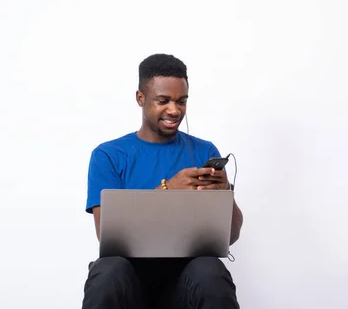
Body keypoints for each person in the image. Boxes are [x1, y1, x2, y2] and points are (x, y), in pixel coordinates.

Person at [81, 53, 243, 309]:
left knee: (210, 269)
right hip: (130, 280)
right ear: (140, 98)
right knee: (108, 270)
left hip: (186, 280)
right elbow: (107, 237)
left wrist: (225, 192)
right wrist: (167, 189)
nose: (174, 110)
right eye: (163, 100)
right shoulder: (109, 155)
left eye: (182, 101)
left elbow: (231, 235)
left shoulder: (203, 151)